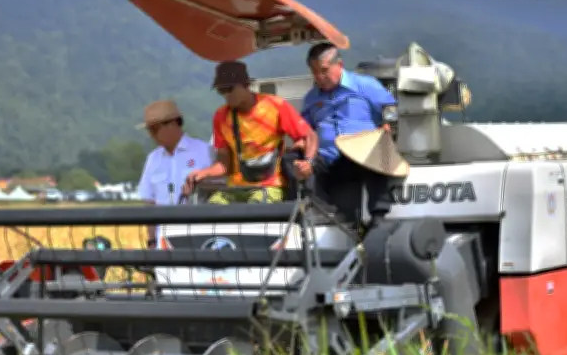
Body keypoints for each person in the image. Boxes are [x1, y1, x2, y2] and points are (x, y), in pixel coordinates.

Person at [184, 61, 318, 204]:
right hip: (234, 188)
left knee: (255, 210)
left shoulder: (275, 106)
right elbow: (224, 164)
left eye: (230, 89)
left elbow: (310, 135)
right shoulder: (221, 117)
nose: (226, 95)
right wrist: (202, 173)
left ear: (245, 84)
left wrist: (308, 162)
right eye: (221, 91)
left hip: (269, 186)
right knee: (211, 211)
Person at [300, 42, 400, 229]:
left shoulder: (364, 85)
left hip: (360, 155)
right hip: (329, 158)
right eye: (314, 72)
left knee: (377, 146)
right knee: (297, 160)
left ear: (340, 65)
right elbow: (304, 127)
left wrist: (389, 126)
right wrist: (300, 141)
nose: (319, 77)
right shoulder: (311, 98)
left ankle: (378, 215)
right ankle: (322, 212)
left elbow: (391, 109)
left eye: (324, 70)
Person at [136, 99, 214, 247]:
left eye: (154, 129)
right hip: (164, 242)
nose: (152, 135)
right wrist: (152, 240)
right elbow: (149, 203)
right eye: (150, 130)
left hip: (200, 237)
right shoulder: (153, 160)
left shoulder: (204, 152)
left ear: (172, 124)